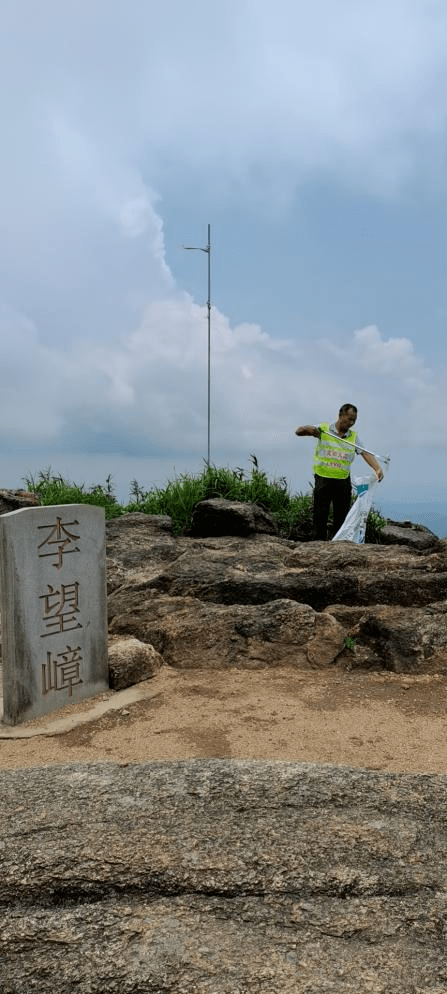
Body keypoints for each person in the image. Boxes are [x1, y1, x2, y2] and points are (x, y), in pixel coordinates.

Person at [295, 404, 384, 541]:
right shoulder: (324, 429)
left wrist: (377, 468)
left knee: (342, 518)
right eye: (349, 419)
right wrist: (306, 429)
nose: (351, 423)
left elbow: (364, 452)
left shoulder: (353, 437)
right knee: (320, 517)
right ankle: (317, 547)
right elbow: (300, 432)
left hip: (343, 481)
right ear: (340, 415)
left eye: (354, 420)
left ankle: (338, 546)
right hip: (323, 479)